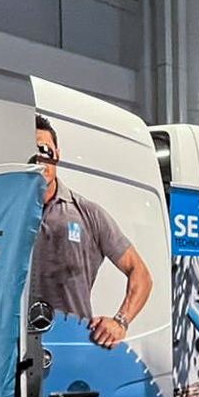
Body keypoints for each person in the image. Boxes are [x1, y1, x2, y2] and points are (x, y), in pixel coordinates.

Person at [29, 114, 152, 349]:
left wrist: (120, 321)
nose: (40, 159)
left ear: (57, 154)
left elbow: (141, 273)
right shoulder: (5, 213)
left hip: (70, 350)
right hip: (11, 349)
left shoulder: (87, 214)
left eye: (45, 150)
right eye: (33, 152)